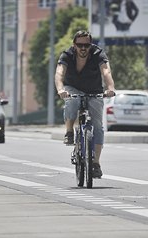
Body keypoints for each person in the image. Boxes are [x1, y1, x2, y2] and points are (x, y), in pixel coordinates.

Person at [55, 30, 116, 179]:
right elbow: (59, 73)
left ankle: (95, 163)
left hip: (94, 90)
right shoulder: (67, 55)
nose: (83, 48)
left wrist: (110, 88)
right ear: (74, 45)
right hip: (72, 88)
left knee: (98, 126)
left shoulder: (98, 54)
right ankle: (69, 132)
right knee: (72, 101)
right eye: (80, 45)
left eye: (86, 45)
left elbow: (106, 72)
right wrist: (61, 89)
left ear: (91, 45)